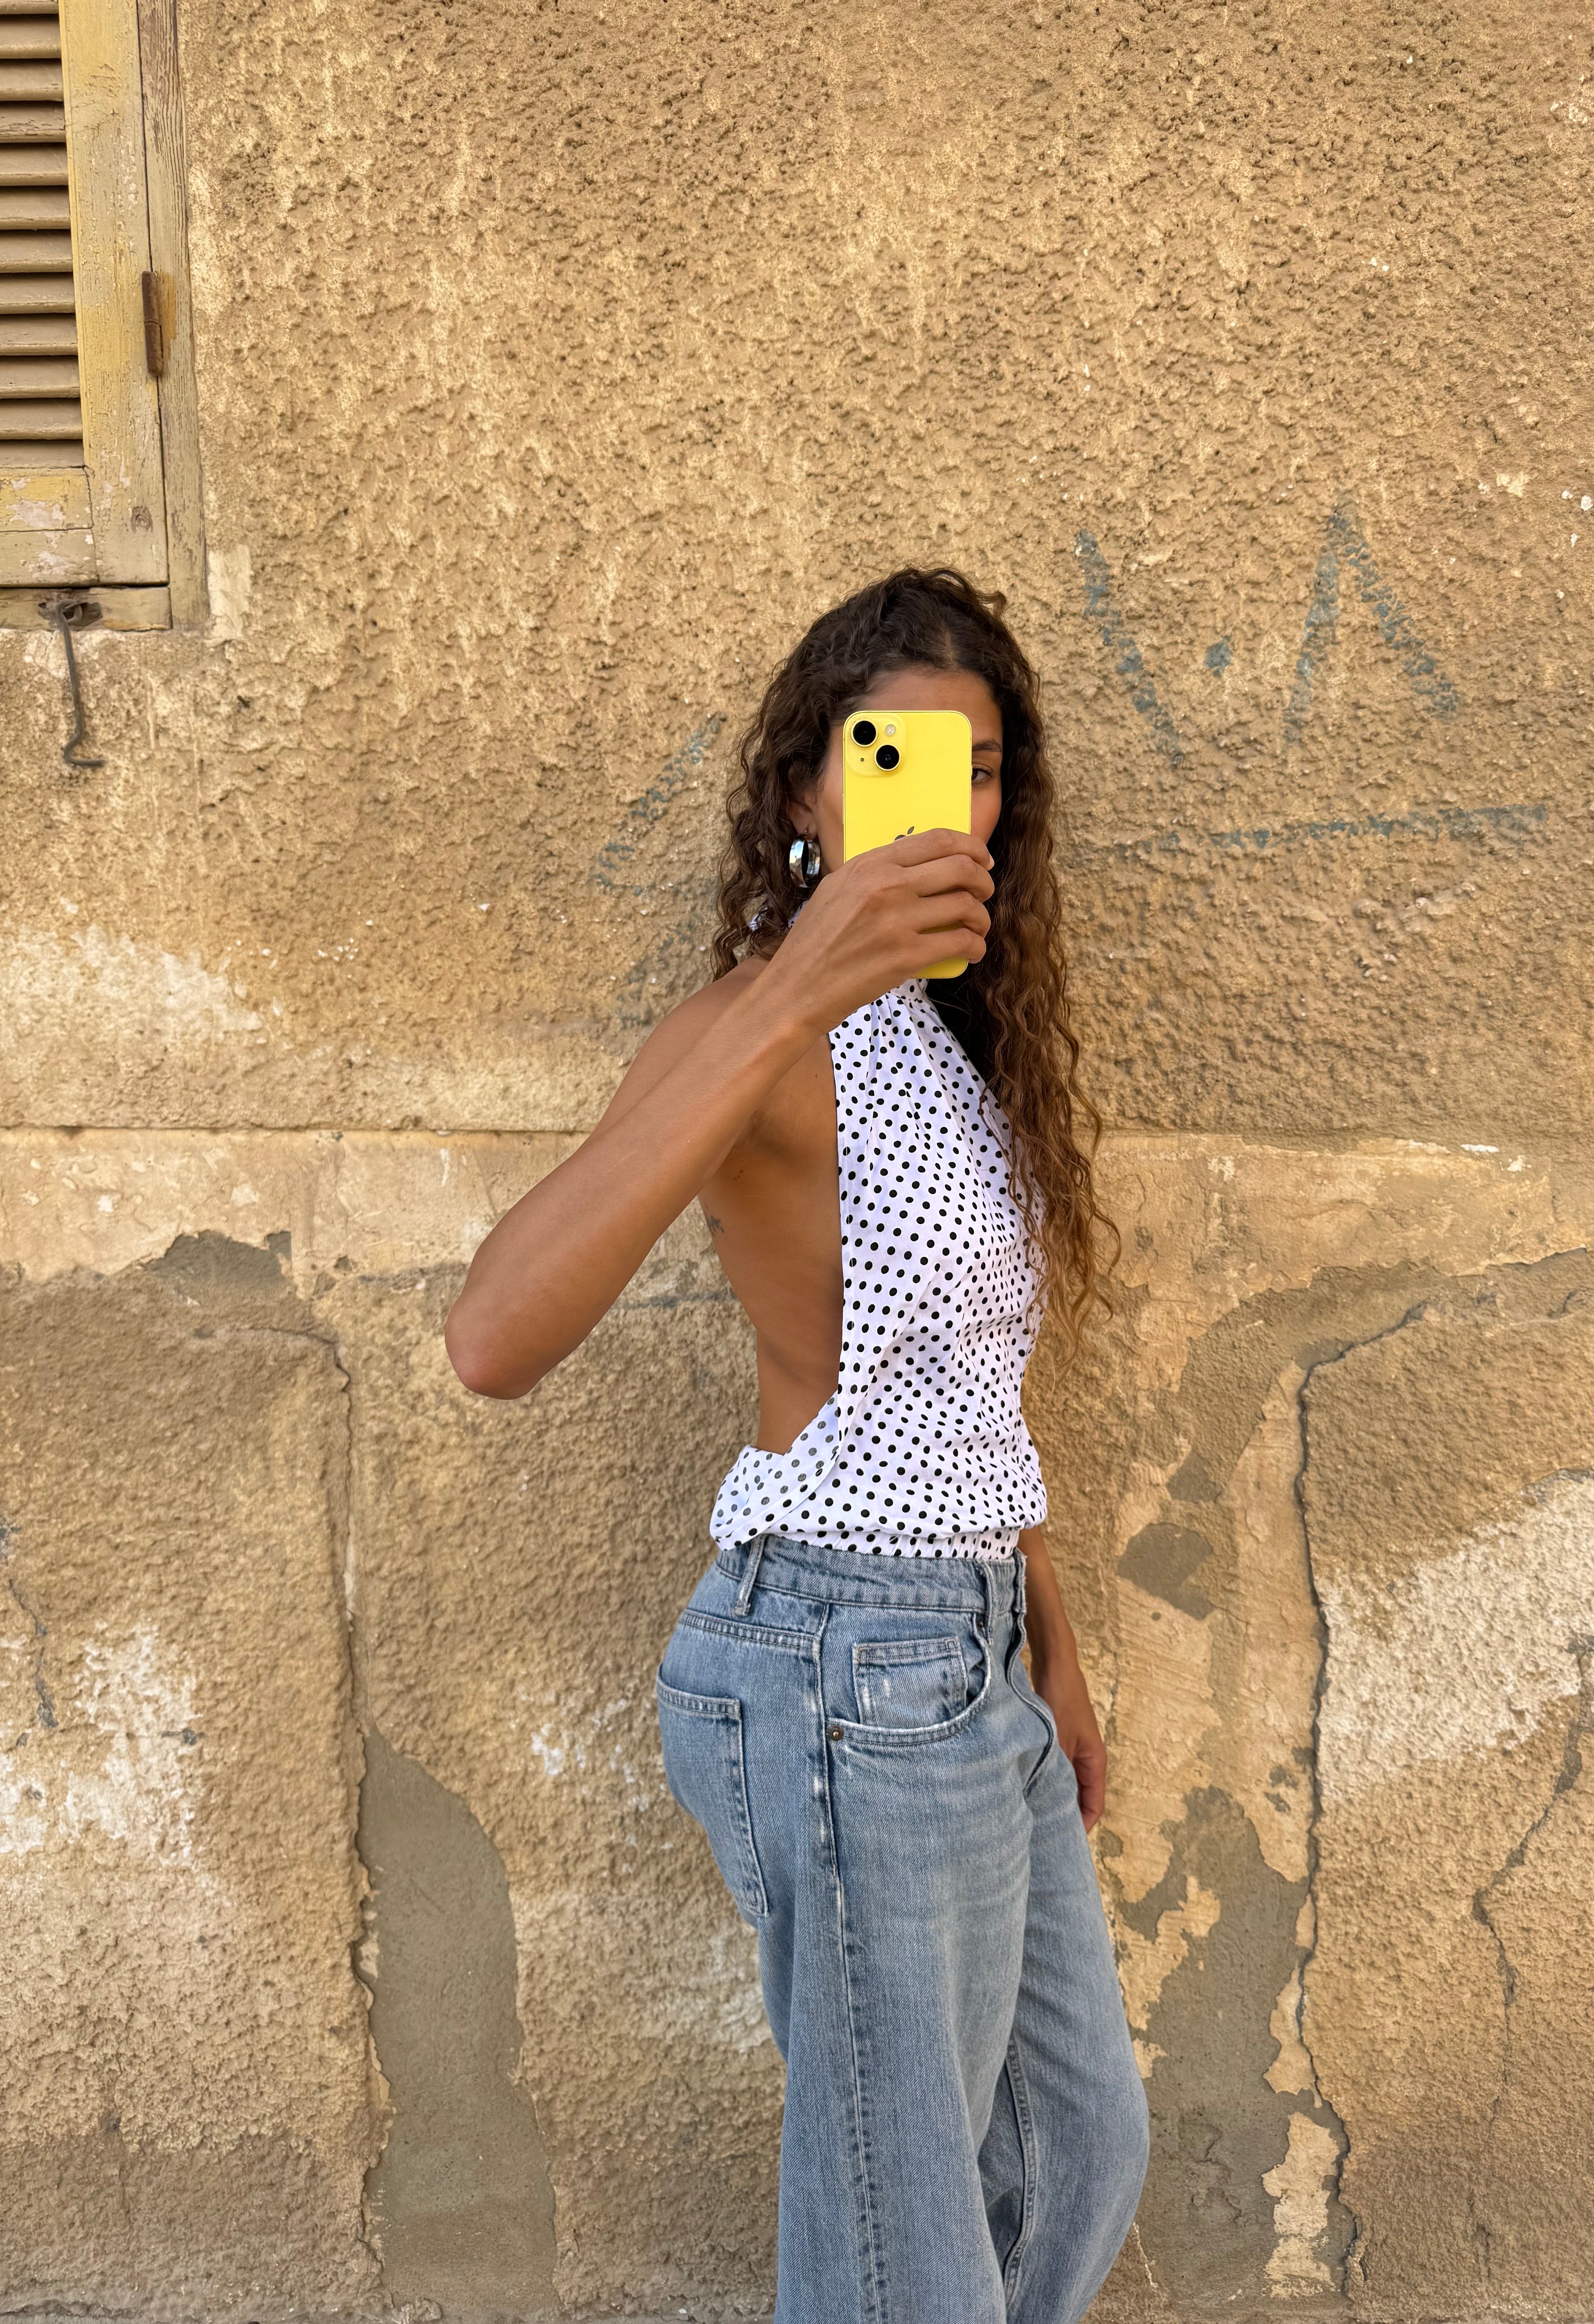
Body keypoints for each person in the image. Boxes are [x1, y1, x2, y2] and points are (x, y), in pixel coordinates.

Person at [444, 568, 1150, 2323]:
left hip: (966, 1650)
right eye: (899, 759)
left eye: (981, 770)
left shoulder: (956, 1045)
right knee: (903, 2250)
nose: (950, 803)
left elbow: (963, 1381)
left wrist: (1047, 1632)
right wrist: (797, 985)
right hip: (841, 1661)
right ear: (804, 796)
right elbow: (493, 1339)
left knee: (1074, 2152)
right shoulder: (749, 1035)